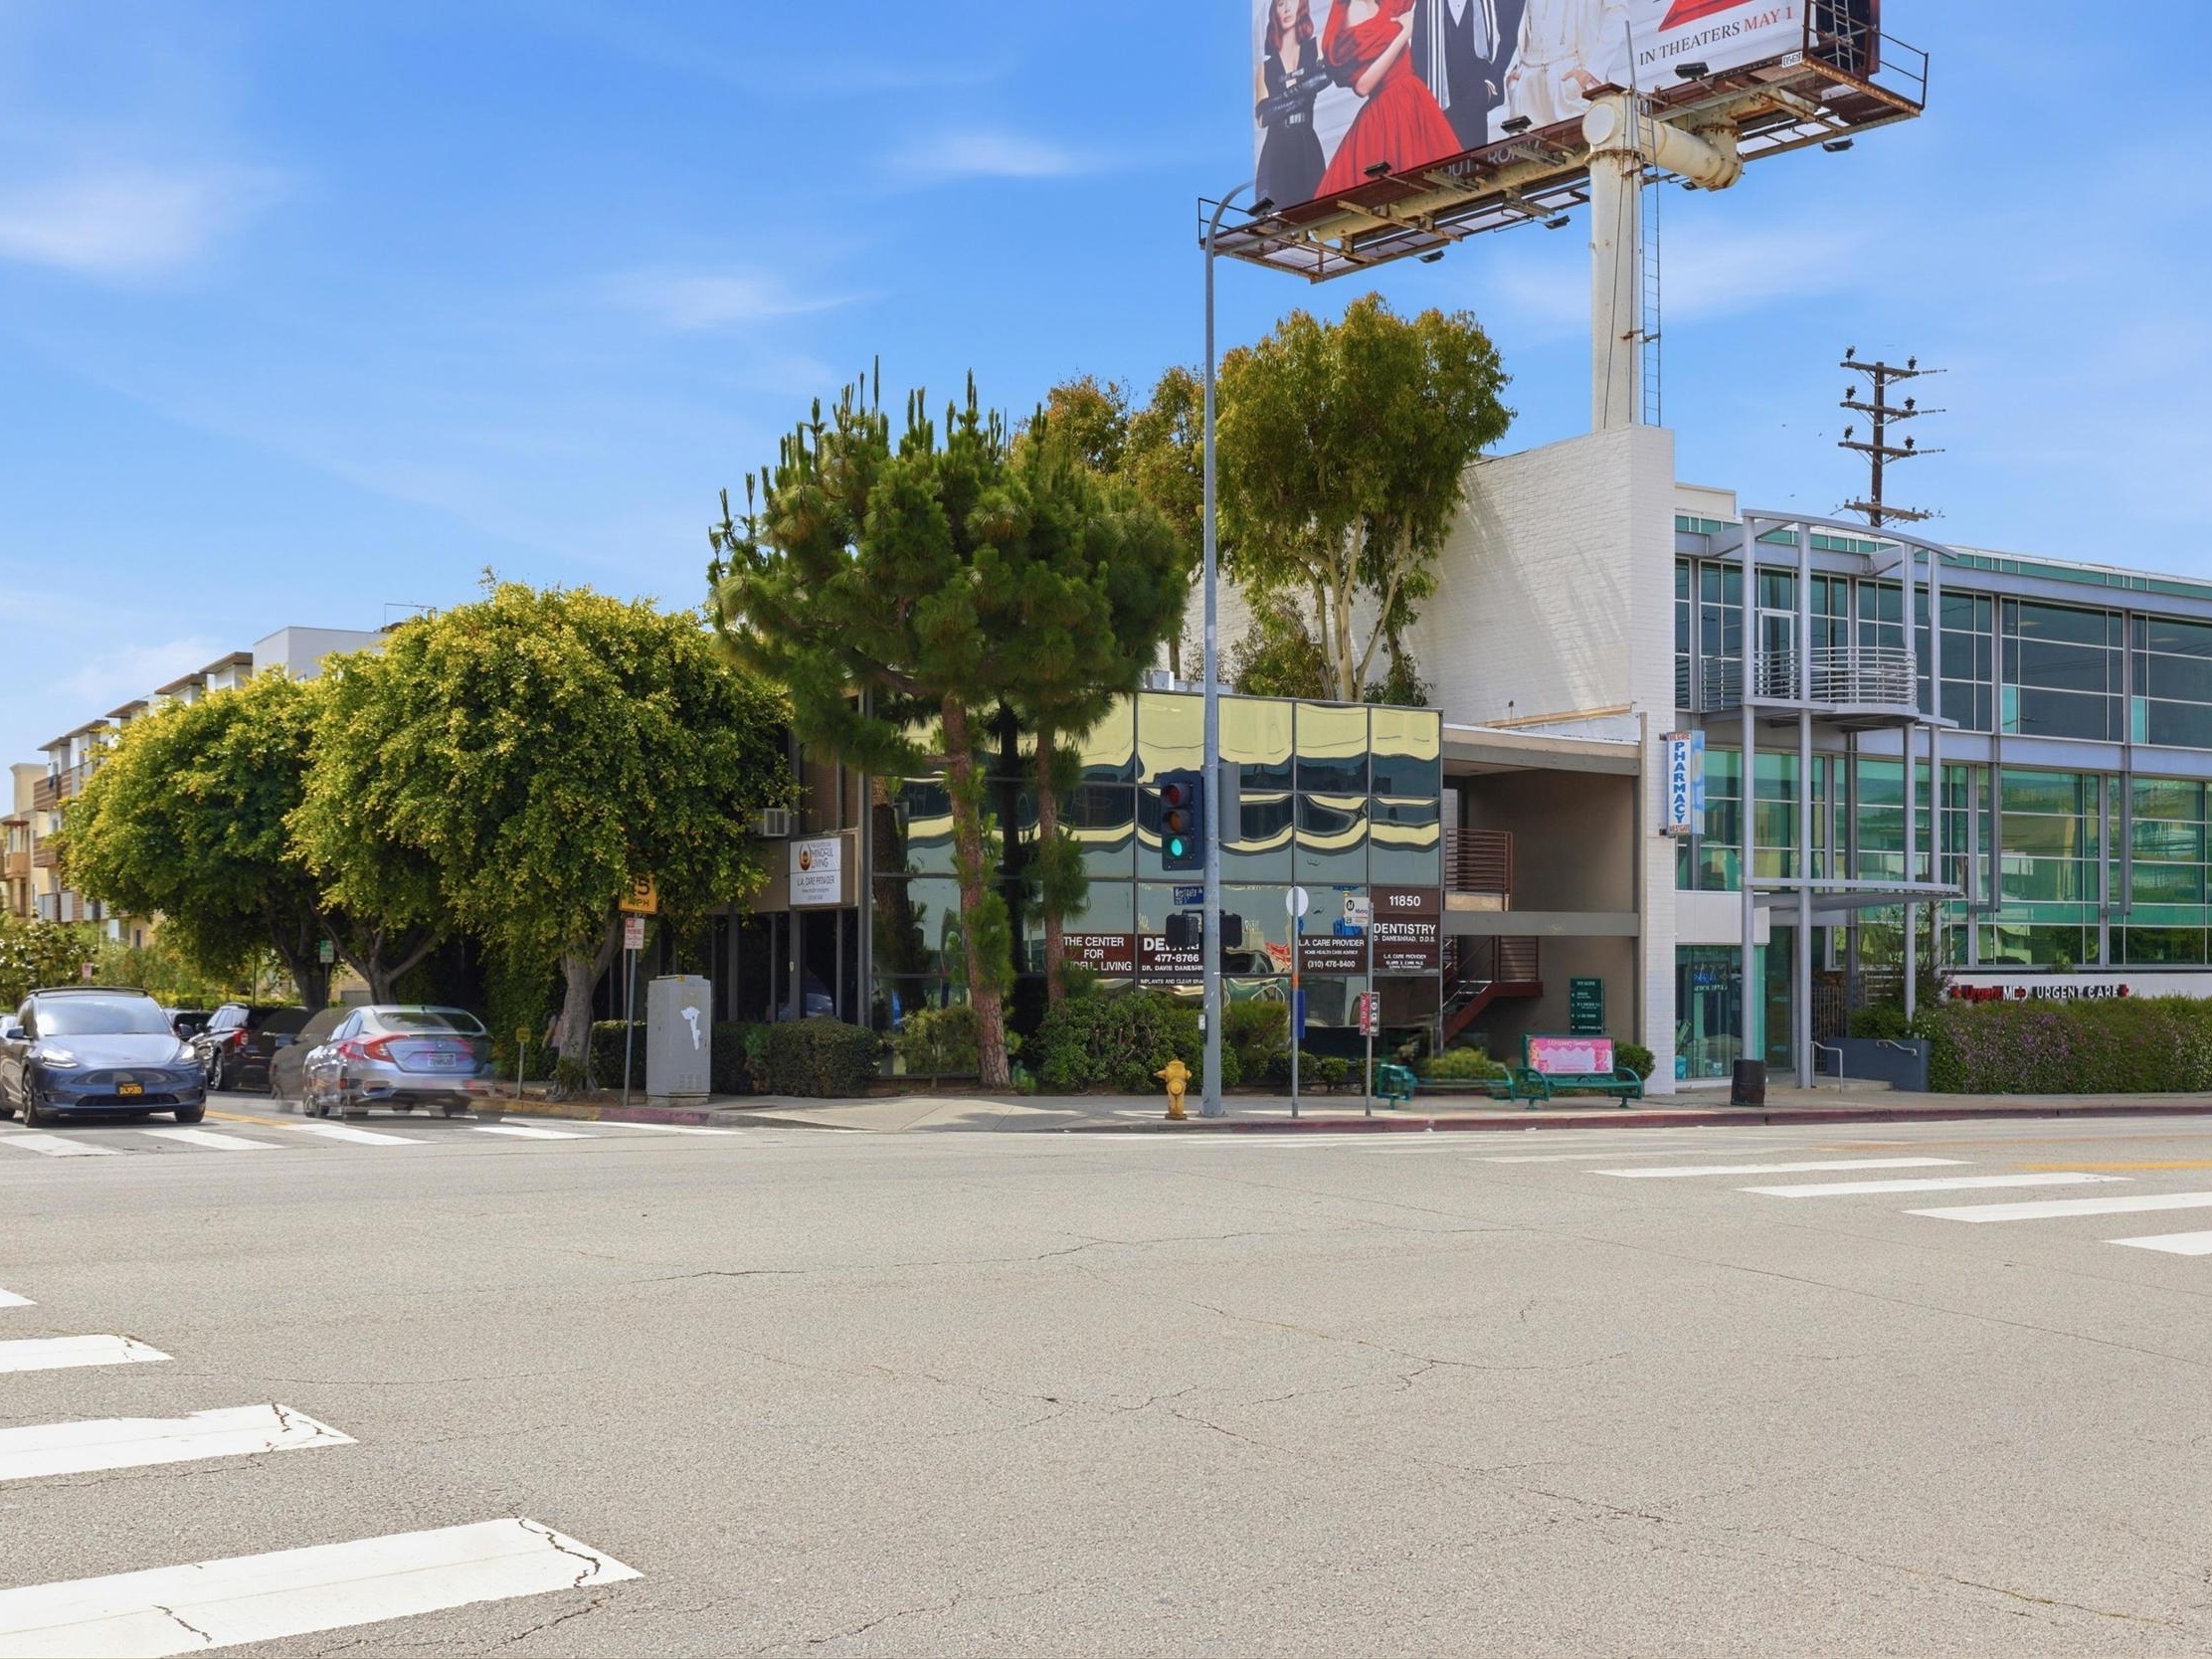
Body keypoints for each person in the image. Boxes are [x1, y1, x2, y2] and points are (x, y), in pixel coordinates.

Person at [1312, 0, 1461, 200]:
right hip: (1388, 108)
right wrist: (1404, 34)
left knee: (1439, 186)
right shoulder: (1352, 11)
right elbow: (1363, 86)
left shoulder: (1388, 4)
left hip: (1413, 99)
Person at [1501, 0, 1630, 129]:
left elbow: (1617, 11)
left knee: (1582, 143)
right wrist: (1512, 76)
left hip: (1571, 73)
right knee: (1524, 148)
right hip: (1527, 78)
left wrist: (1592, 70)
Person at [1253, 0, 1332, 209]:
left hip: (1306, 142)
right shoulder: (1265, 68)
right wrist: (1302, 91)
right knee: (1278, 218)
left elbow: (1328, 75)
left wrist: (1284, 98)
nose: (1287, 8)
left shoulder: (1316, 46)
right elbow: (1263, 116)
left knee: (1316, 210)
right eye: (1280, 4)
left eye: (1291, 2)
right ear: (1274, 12)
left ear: (1301, 6)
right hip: (1276, 149)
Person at [1412, 0, 1502, 152]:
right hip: (1442, 99)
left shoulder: (1488, 3)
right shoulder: (1426, 4)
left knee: (1479, 165)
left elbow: (1505, 41)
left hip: (1476, 99)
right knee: (1445, 164)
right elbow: (1418, 53)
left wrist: (1488, 88)